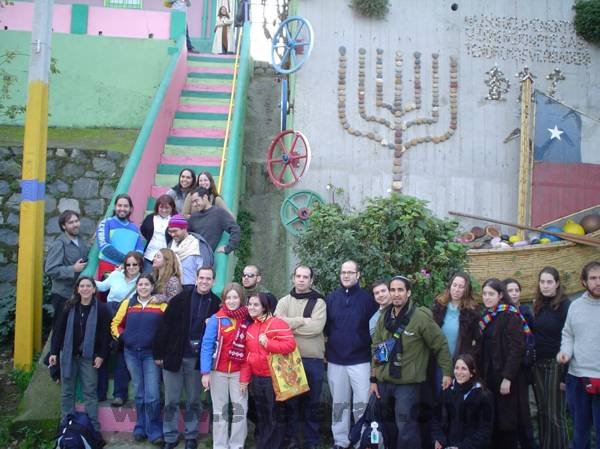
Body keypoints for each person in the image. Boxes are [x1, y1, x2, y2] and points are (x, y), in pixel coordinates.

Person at [370, 275, 453, 449]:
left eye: (400, 290)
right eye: (393, 290)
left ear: (408, 293)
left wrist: (447, 372)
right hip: (385, 382)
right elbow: (377, 350)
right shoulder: (384, 317)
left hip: (408, 384)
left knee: (406, 428)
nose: (396, 294)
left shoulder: (419, 317)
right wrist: (374, 379)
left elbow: (440, 344)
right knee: (388, 426)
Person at [153, 266, 221, 449]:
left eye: (208, 278)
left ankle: (191, 435)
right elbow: (164, 326)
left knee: (193, 400)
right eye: (202, 277)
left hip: (198, 360)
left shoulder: (216, 303)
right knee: (171, 401)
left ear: (213, 281)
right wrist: (159, 353)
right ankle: (170, 437)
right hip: (174, 355)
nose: (205, 281)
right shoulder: (180, 299)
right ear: (196, 278)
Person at [325, 260, 378, 449]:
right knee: (339, 403)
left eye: (350, 272)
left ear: (358, 275)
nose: (346, 275)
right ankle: (340, 441)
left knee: (361, 403)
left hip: (360, 359)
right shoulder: (331, 299)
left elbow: (374, 331)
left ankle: (361, 441)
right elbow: (327, 328)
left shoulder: (368, 300)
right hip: (336, 359)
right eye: (343, 272)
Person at [49, 276, 110, 433]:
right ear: (77, 289)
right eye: (81, 286)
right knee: (67, 391)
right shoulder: (68, 307)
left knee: (90, 391)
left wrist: (101, 355)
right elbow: (58, 331)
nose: (85, 289)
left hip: (89, 358)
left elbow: (105, 335)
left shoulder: (102, 309)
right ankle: (66, 424)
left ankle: (93, 427)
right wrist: (54, 352)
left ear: (94, 289)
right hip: (68, 356)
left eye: (88, 286)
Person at [275, 265, 326, 449]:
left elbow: (316, 328)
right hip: (288, 360)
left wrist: (290, 326)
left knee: (312, 404)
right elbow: (277, 326)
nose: (302, 279)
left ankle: (312, 441)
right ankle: (293, 441)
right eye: (298, 276)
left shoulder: (318, 302)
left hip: (313, 360)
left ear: (311, 280)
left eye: (306, 277)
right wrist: (303, 321)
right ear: (293, 278)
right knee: (292, 404)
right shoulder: (283, 301)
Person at [112, 274, 167, 444]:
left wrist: (161, 349)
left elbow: (168, 329)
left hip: (151, 355)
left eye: (146, 284)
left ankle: (155, 431)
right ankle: (140, 427)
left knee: (153, 394)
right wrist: (123, 338)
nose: (143, 287)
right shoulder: (128, 304)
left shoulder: (162, 306)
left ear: (152, 287)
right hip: (131, 354)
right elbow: (115, 324)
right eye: (140, 284)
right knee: (139, 393)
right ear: (137, 287)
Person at [240, 292, 296, 449]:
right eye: (249, 304)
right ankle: (264, 443)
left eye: (256, 305)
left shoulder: (277, 323)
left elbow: (290, 345)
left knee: (274, 416)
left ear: (264, 307)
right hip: (257, 379)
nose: (251, 307)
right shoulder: (250, 327)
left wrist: (269, 344)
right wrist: (244, 380)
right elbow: (247, 357)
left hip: (274, 378)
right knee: (262, 415)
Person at [478, 278, 527, 449]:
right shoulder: (486, 316)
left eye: (491, 294)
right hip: (489, 376)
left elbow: (517, 349)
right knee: (492, 420)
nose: (487, 297)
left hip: (506, 379)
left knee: (507, 423)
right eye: (484, 294)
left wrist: (507, 378)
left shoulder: (510, 315)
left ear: (500, 295)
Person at [200, 282, 250, 449]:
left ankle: (236, 445)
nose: (231, 300)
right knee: (220, 411)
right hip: (218, 372)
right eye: (228, 297)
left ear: (241, 298)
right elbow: (207, 345)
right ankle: (220, 445)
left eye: (235, 297)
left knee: (239, 410)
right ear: (223, 300)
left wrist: (245, 377)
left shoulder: (248, 318)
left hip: (239, 372)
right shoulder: (217, 319)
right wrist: (205, 372)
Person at [557, 260, 600, 449]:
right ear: (584, 282)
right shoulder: (575, 307)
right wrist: (565, 352)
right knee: (580, 433)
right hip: (578, 377)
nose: (598, 282)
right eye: (593, 278)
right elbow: (568, 335)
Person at [528, 267, 570, 449]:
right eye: (542, 282)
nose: (545, 286)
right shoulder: (537, 304)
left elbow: (570, 337)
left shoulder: (565, 305)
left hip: (556, 364)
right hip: (538, 363)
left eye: (549, 282)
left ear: (557, 283)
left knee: (555, 414)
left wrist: (565, 375)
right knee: (543, 411)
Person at [95, 251, 143, 406]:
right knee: (102, 350)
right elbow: (102, 287)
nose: (131, 267)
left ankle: (120, 394)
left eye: (134, 264)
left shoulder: (142, 280)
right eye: (128, 264)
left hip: (127, 317)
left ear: (140, 265)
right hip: (108, 313)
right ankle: (100, 392)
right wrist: (86, 280)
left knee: (122, 353)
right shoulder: (116, 275)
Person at [503, 277, 539, 449]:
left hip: (524, 367)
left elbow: (532, 337)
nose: (514, 293)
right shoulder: (501, 312)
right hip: (508, 369)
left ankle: (530, 441)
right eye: (510, 290)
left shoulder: (525, 311)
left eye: (517, 290)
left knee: (527, 409)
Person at [431, 353, 494, 449]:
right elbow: (435, 419)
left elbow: (485, 431)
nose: (459, 372)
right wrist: (438, 439)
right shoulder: (446, 390)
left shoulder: (484, 395)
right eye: (456, 368)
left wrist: (460, 447)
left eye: (463, 369)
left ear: (472, 372)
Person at [45, 210, 90, 335]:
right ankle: (54, 355)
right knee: (60, 330)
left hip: (77, 294)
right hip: (63, 295)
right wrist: (72, 269)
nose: (75, 224)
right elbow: (50, 269)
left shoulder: (81, 241)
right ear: (64, 226)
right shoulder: (59, 244)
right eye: (71, 222)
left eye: (76, 221)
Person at [96, 193, 144, 278]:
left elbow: (139, 250)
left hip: (128, 269)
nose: (122, 208)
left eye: (126, 206)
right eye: (119, 205)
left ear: (130, 209)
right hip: (108, 266)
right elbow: (104, 246)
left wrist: (128, 263)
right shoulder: (106, 223)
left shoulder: (135, 228)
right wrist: (127, 260)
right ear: (115, 207)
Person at [187, 187, 240, 254]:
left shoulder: (219, 213)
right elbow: (186, 234)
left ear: (205, 197)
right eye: (192, 202)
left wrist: (229, 248)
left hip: (205, 256)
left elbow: (235, 229)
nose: (194, 205)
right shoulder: (193, 217)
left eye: (196, 201)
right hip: (190, 253)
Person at [167, 214, 214, 288]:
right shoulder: (170, 246)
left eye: (175, 231)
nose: (172, 235)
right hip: (174, 289)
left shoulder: (197, 245)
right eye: (170, 232)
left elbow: (204, 269)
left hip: (192, 288)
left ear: (184, 229)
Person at [140, 194, 176, 273]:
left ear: (172, 208)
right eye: (161, 207)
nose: (164, 210)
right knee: (147, 279)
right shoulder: (150, 217)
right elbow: (143, 229)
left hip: (166, 258)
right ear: (157, 207)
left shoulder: (175, 220)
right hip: (149, 256)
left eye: (167, 208)